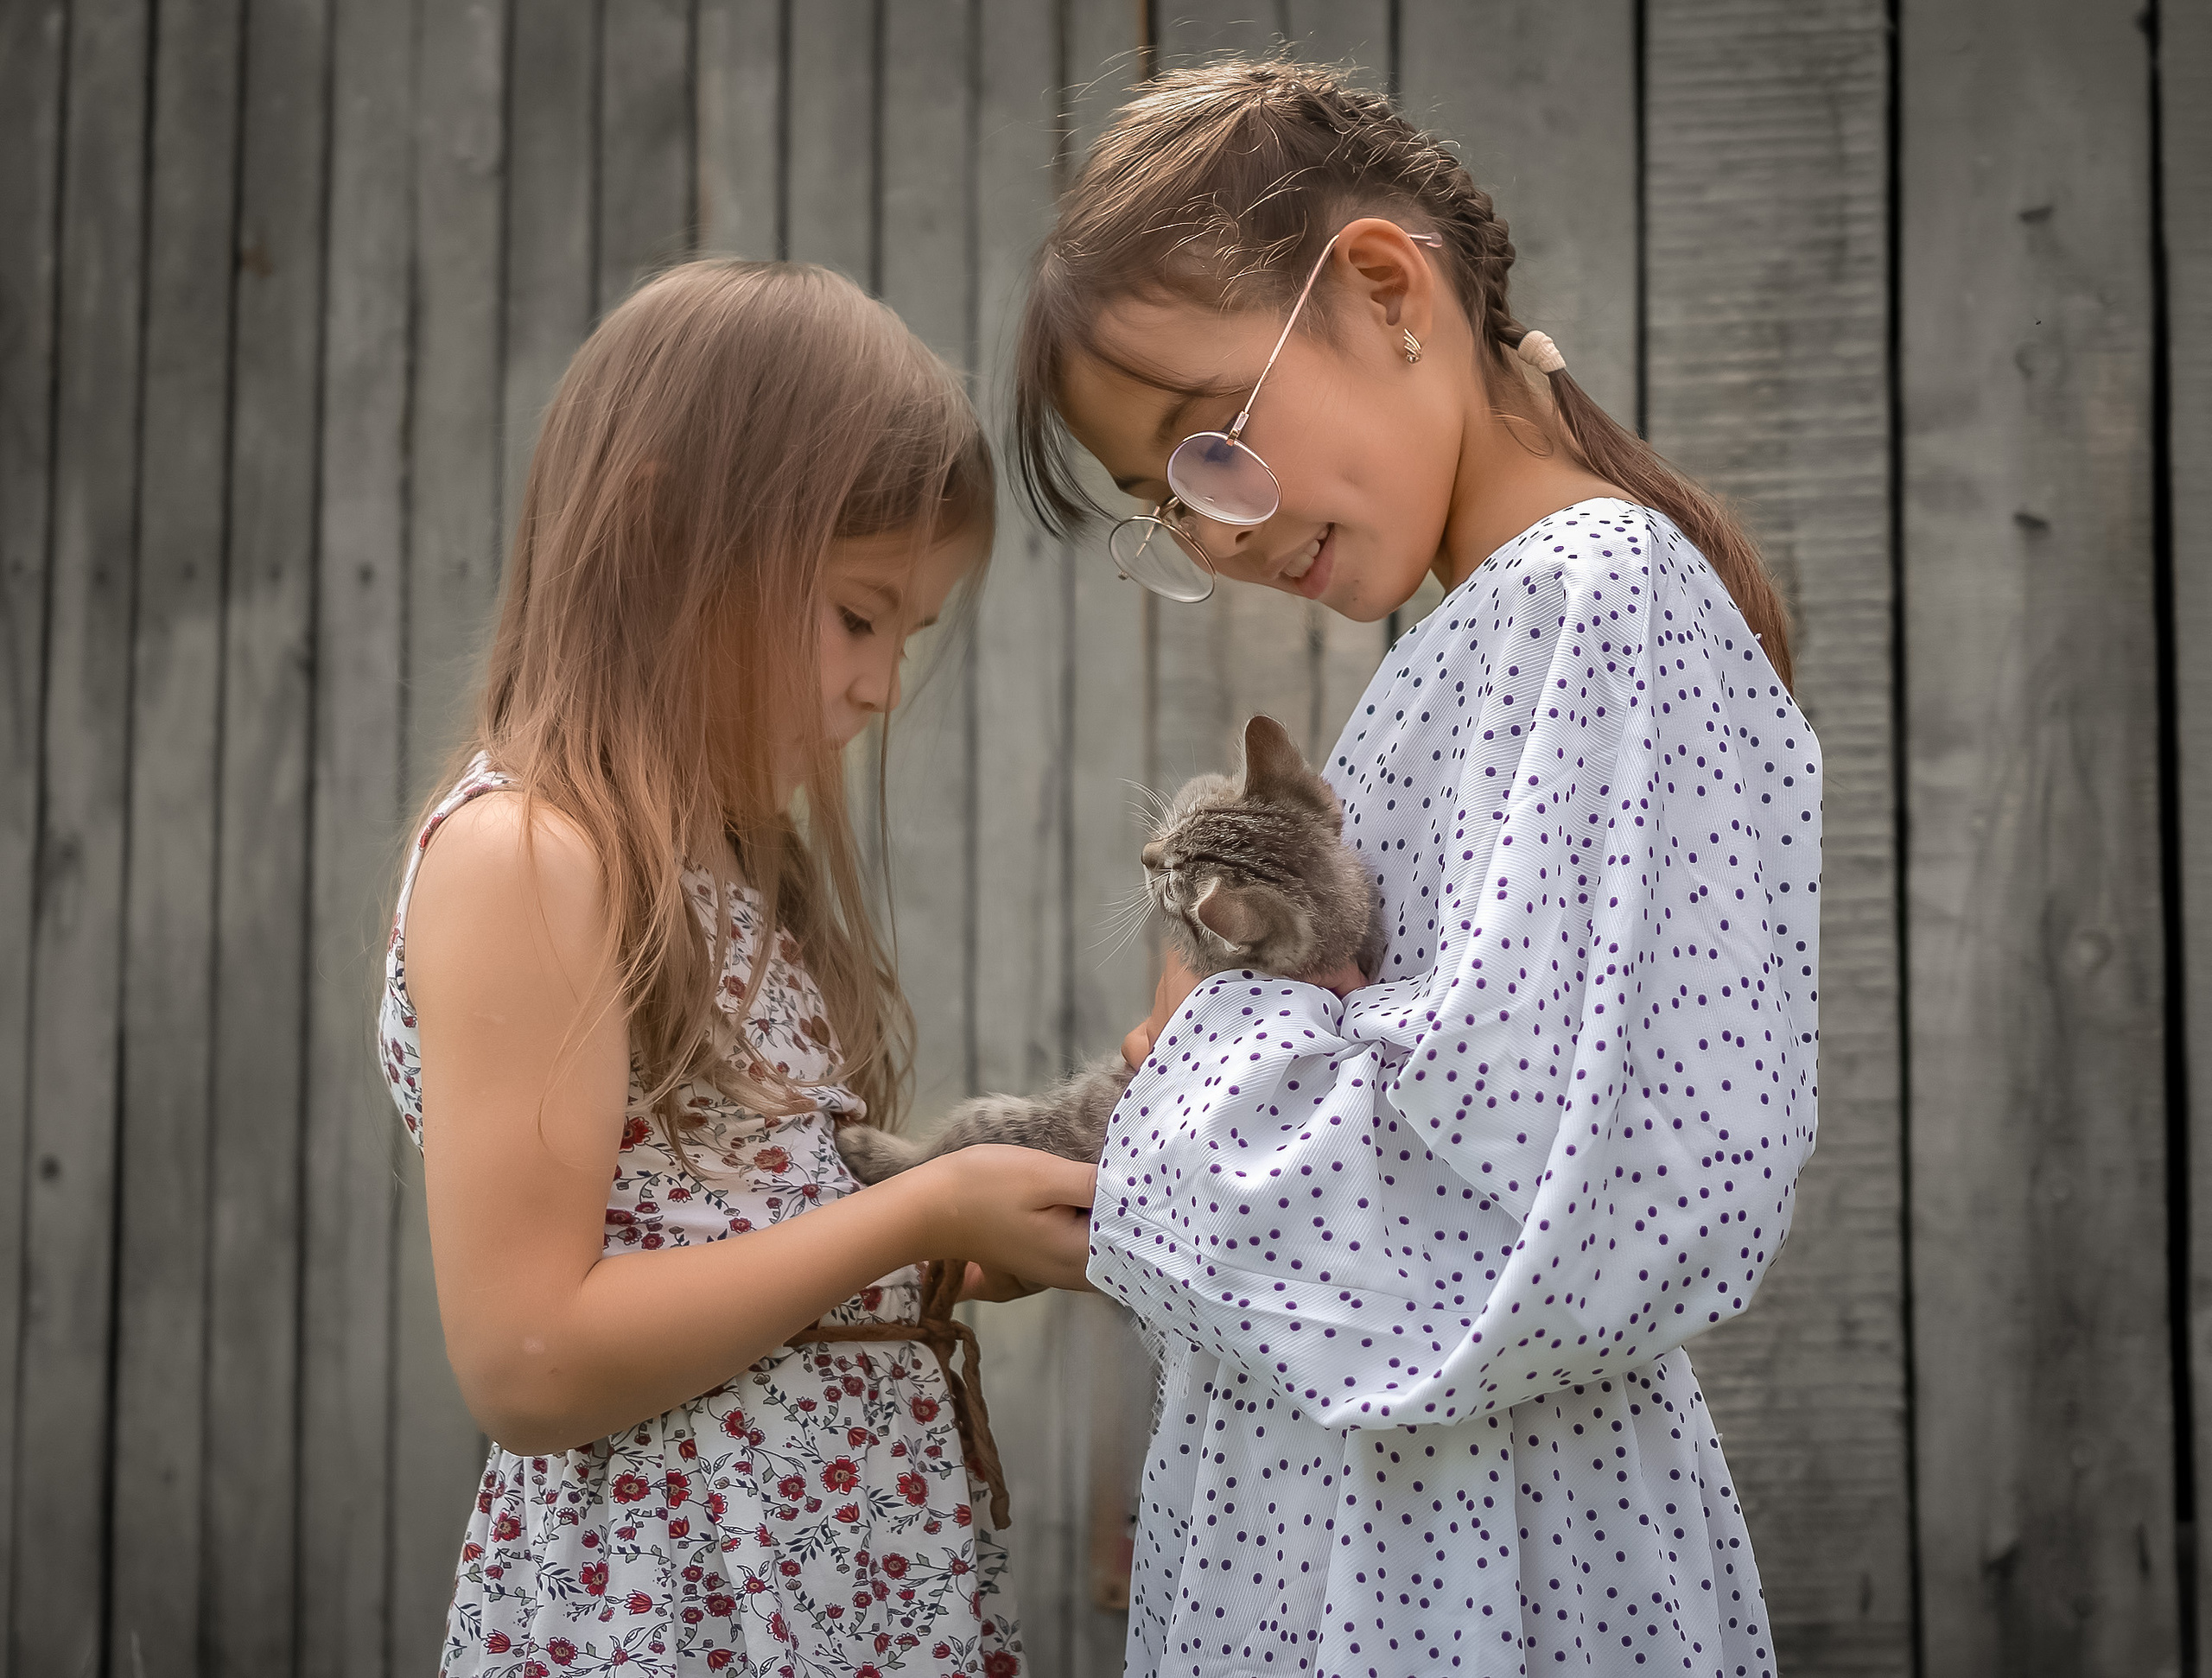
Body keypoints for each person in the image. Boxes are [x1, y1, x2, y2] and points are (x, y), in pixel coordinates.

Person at [1014, 61, 1816, 1678]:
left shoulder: (1592, 600)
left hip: (1464, 1562)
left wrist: (1197, 1069)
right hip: (1383, 1540)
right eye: (1161, 508)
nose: (1214, 534)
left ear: (1385, 292)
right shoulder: (1480, 634)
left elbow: (1516, 1187)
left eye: (1210, 444)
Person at [381, 260, 1093, 1676]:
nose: (882, 685)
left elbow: (727, 1250)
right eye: (855, 614)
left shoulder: (727, 872)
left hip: (830, 1603)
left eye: (910, 632)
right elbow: (531, 1357)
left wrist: (953, 1243)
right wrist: (915, 1212)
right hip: (675, 1609)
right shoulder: (532, 858)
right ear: (660, 535)